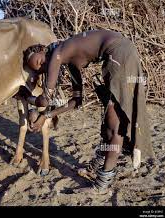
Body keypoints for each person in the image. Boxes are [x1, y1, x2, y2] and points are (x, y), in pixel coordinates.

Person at [22, 29, 154, 192]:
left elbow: (44, 99)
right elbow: (75, 101)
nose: (43, 67)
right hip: (118, 54)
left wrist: (28, 98)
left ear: (42, 50)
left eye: (39, 61)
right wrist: (46, 115)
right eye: (40, 69)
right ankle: (99, 166)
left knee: (114, 126)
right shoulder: (67, 60)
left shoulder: (57, 53)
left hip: (119, 54)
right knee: (109, 121)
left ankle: (102, 183)